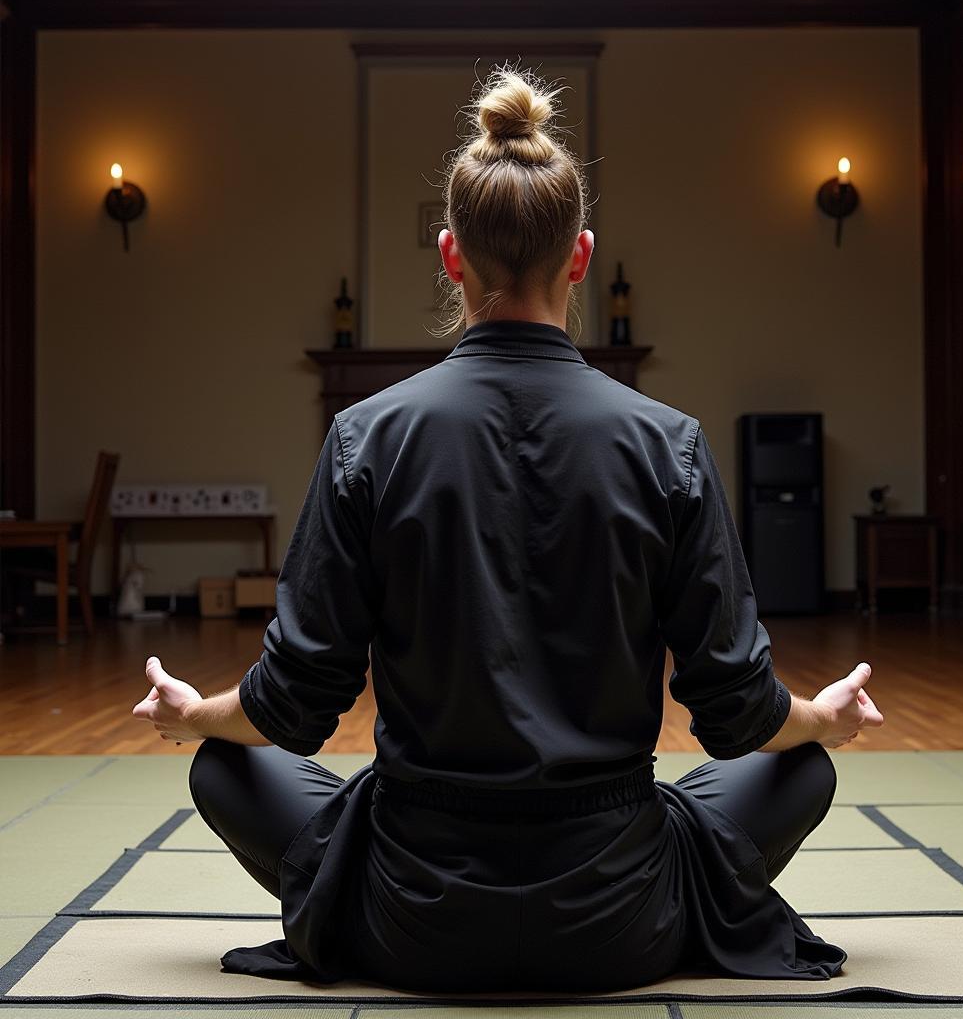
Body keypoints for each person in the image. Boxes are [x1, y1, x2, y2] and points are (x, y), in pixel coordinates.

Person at [131, 63, 884, 993]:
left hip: (412, 912)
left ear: (450, 255)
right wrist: (826, 719)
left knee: (221, 766)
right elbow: (736, 715)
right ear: (582, 254)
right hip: (620, 913)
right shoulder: (668, 444)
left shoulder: (366, 436)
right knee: (800, 768)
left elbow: (294, 705)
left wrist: (188, 714)